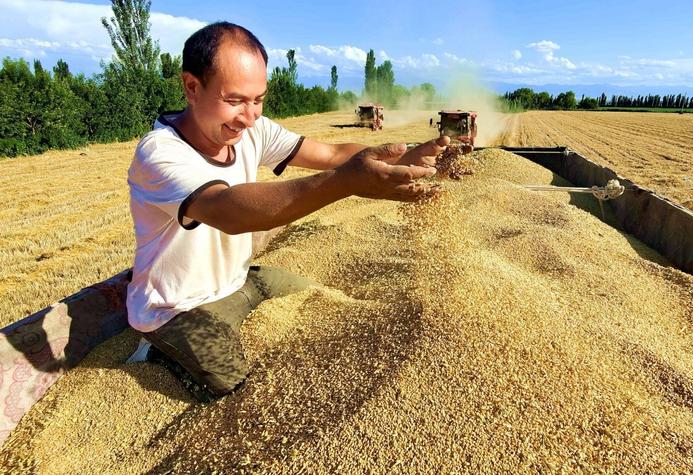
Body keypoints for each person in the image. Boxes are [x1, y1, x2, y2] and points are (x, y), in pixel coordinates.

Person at [126, 21, 450, 401]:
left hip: (239, 281)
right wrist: (345, 182)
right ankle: (157, 352)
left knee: (320, 304)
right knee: (230, 383)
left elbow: (329, 154)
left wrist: (403, 157)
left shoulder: (251, 130)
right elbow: (229, 211)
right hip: (176, 309)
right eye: (234, 100)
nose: (248, 117)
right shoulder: (160, 153)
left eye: (258, 99)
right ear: (192, 87)